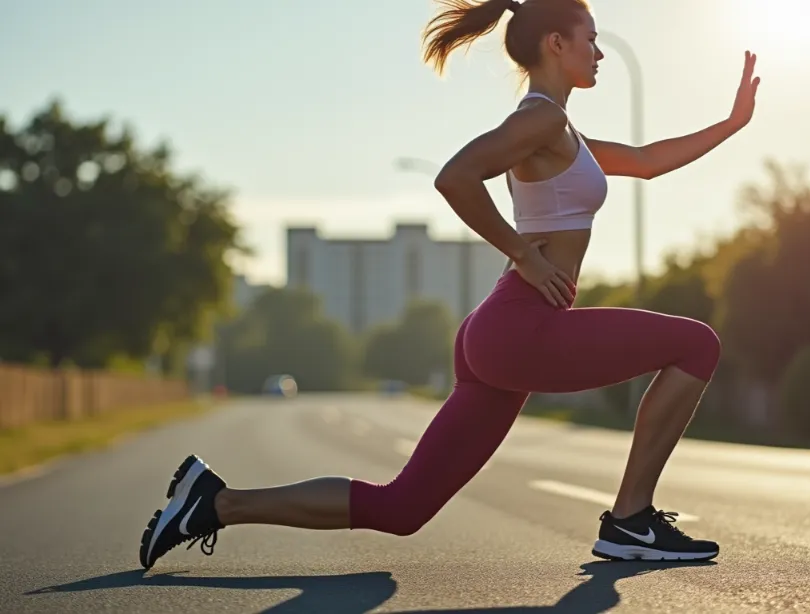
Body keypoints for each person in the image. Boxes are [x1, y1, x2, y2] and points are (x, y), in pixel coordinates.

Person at [139, 0, 760, 569]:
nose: (599, 53)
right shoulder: (540, 120)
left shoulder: (562, 132)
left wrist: (731, 124)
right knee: (696, 344)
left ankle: (214, 504)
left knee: (401, 509)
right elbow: (456, 176)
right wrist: (523, 253)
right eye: (590, 39)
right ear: (555, 43)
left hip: (500, 330)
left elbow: (647, 162)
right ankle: (629, 520)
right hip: (521, 327)